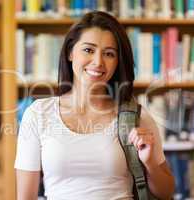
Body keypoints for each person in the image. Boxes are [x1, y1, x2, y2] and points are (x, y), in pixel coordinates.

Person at [14, 11, 175, 200]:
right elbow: (25, 197)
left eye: (109, 53)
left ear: (117, 61)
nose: (98, 62)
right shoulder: (38, 114)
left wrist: (150, 164)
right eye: (88, 50)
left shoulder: (135, 116)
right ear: (70, 52)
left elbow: (167, 192)